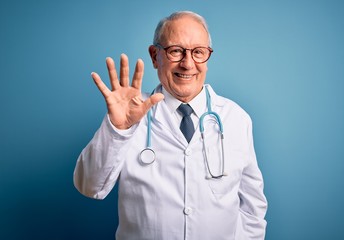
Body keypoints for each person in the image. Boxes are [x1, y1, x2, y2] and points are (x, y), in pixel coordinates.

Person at [74, 10, 267, 240]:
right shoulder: (130, 113)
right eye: (176, 51)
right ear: (155, 56)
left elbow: (252, 210)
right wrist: (118, 129)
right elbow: (90, 186)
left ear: (208, 56)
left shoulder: (236, 119)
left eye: (198, 52)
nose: (188, 64)